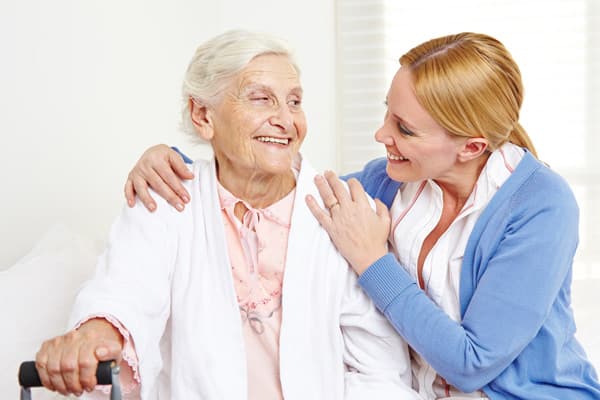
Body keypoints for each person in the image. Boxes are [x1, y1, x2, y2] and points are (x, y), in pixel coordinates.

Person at [125, 32, 600, 399]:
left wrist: (374, 263)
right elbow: (279, 183)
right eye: (386, 114)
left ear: (471, 147)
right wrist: (173, 163)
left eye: (404, 129)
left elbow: (471, 362)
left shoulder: (541, 206)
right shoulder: (389, 180)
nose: (380, 134)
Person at [34, 30, 419, 399]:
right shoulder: (165, 203)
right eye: (261, 99)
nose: (286, 119)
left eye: (295, 101)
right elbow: (126, 291)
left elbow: (378, 369)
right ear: (203, 115)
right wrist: (97, 333)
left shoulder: (347, 213)